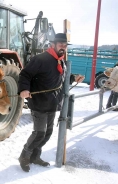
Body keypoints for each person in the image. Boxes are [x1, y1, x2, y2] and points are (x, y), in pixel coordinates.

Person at [17, 33, 85, 172]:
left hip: (52, 104)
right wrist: (24, 89)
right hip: (39, 102)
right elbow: (25, 74)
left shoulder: (61, 62)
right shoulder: (40, 59)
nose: (63, 48)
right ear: (52, 45)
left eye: (65, 46)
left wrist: (74, 78)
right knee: (39, 133)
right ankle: (24, 156)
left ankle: (35, 156)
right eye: (61, 45)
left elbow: (61, 78)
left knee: (47, 133)